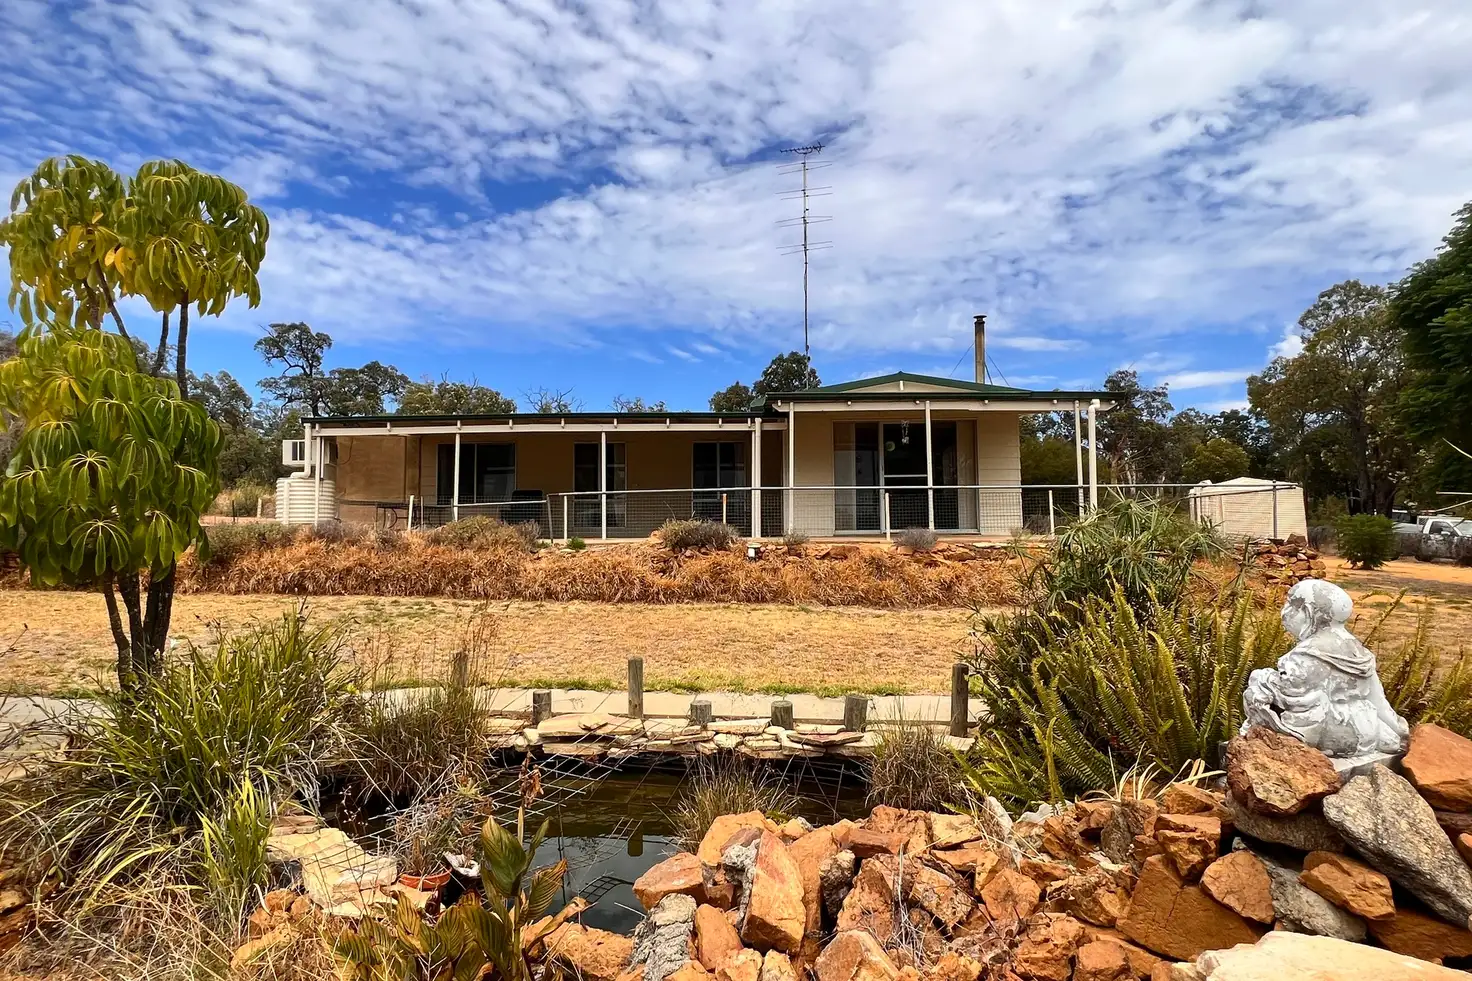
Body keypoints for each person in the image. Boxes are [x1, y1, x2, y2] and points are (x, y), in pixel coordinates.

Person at [1242, 579, 1409, 756]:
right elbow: (1378, 700)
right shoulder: (1358, 649)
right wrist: (1398, 729)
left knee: (1257, 686)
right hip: (1365, 728)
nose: (1284, 611)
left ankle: (1256, 743)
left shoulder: (1307, 653)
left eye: (1290, 604)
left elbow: (1291, 695)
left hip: (1331, 730)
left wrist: (1263, 678)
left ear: (1308, 613)